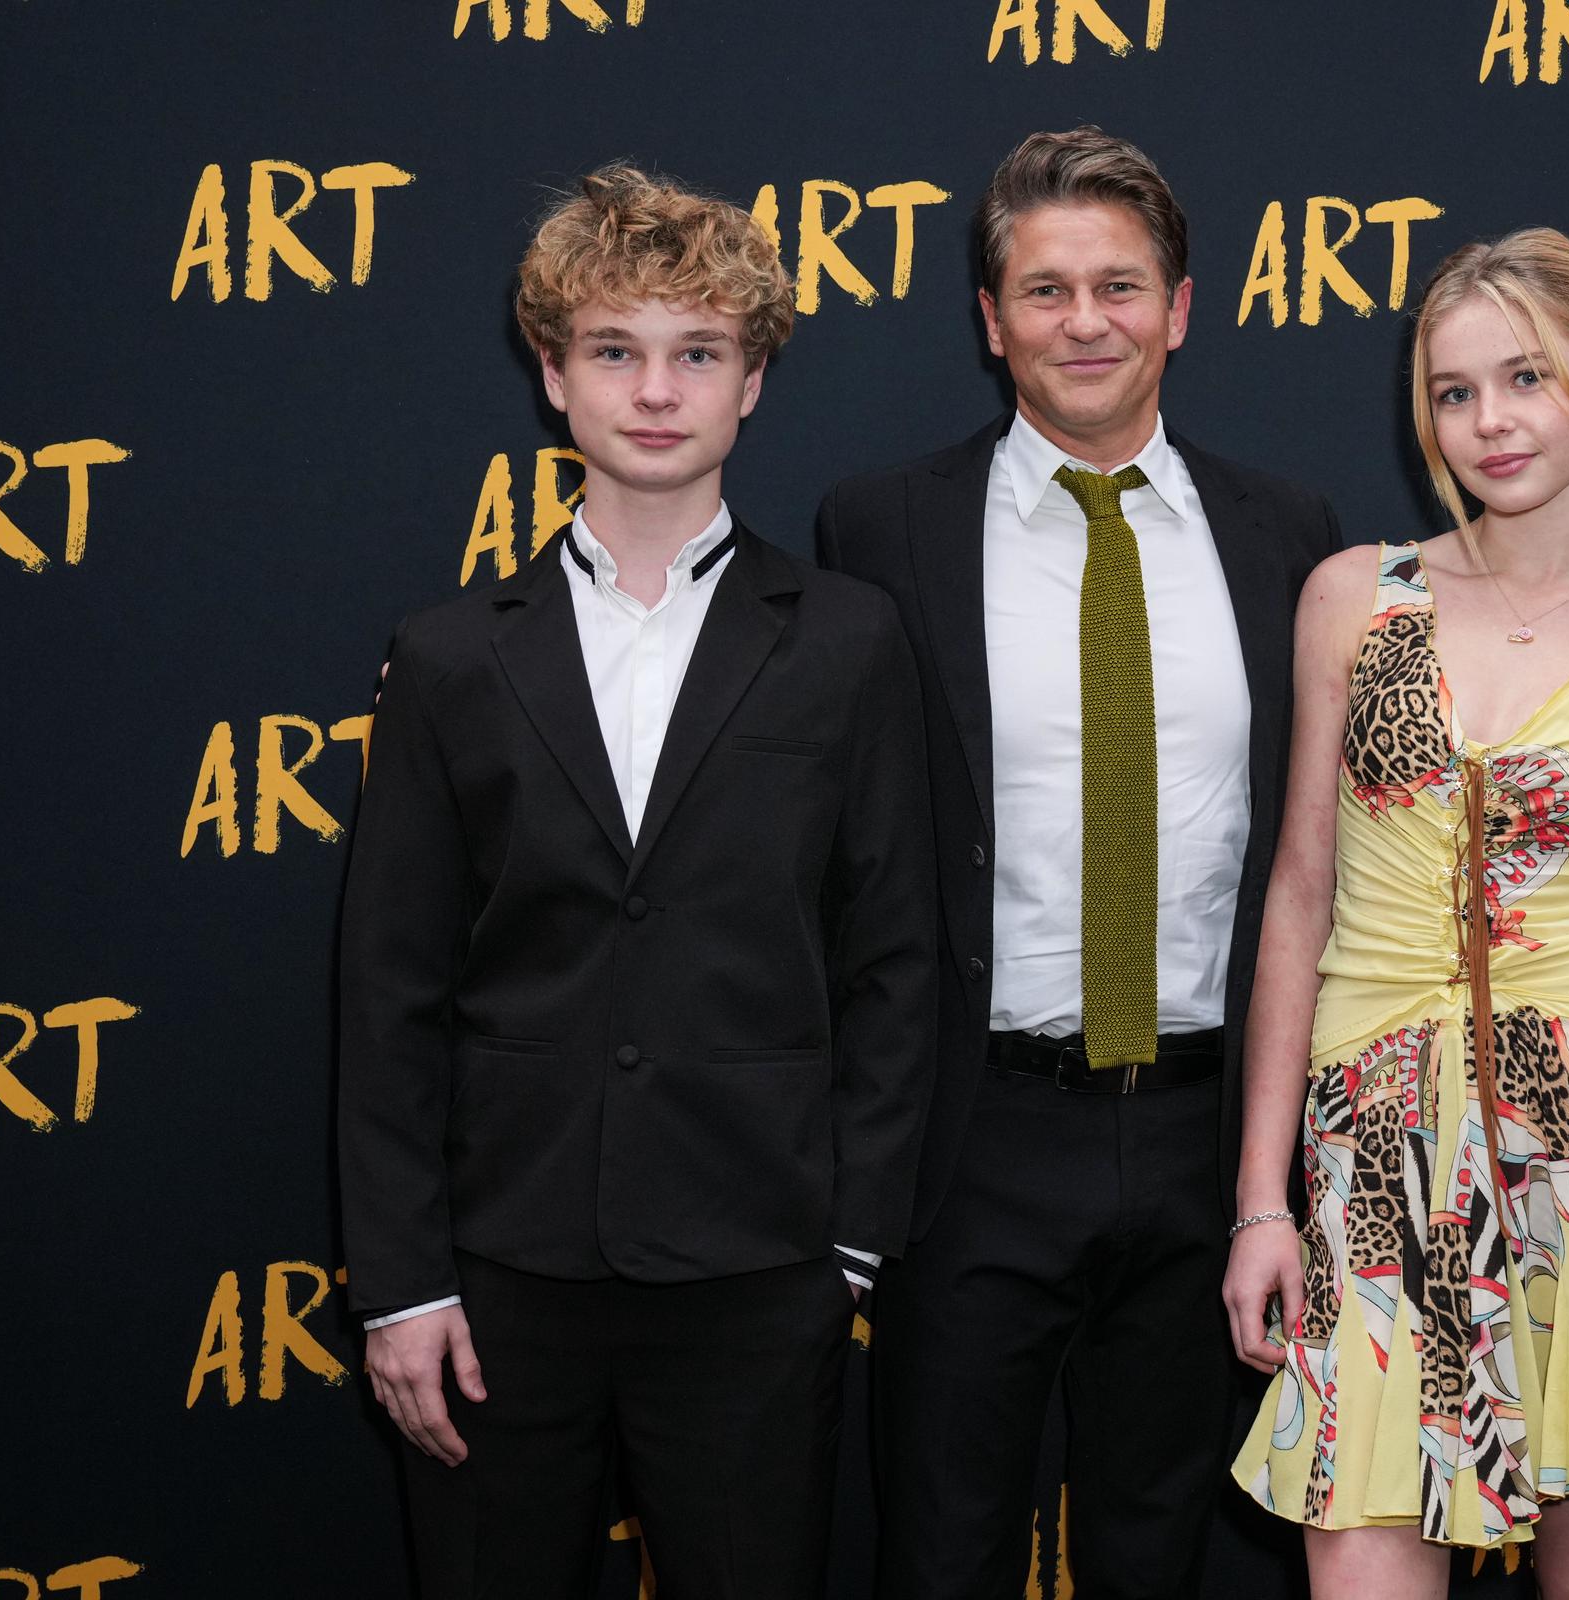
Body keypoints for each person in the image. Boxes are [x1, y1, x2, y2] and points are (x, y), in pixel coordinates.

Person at [815, 129, 1569, 1599]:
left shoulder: (1292, 543)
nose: (1085, 319)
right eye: (1043, 290)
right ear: (990, 322)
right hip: (966, 1139)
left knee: (1157, 1551)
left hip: (1219, 1140)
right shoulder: (879, 530)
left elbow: (1409, 760)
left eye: (1121, 283)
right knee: (938, 1551)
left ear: (1181, 308)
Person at [337, 164, 934, 1599]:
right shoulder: (451, 656)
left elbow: (897, 958)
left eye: (698, 354)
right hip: (497, 1277)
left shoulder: (850, 640)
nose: (655, 390)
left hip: (757, 1268)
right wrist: (403, 1283)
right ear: (553, 377)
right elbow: (390, 990)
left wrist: (845, 1252)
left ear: (753, 385)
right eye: (615, 350)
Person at [1222, 228, 1569, 1600]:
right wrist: (1256, 1204)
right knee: (1356, 1559)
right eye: (1454, 391)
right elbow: (1299, 895)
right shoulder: (1355, 600)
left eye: (1524, 376)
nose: (1489, 422)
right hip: (1372, 1142)